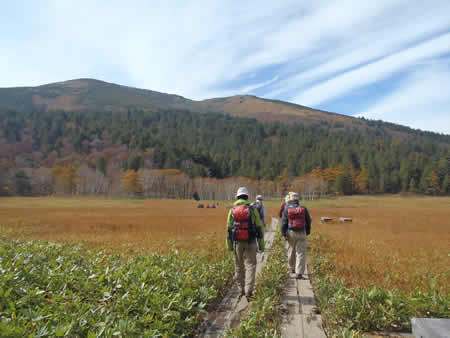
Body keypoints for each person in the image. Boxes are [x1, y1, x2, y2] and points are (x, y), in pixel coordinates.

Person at [227, 187, 265, 299]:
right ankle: (249, 290)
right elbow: (259, 227)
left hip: (237, 242)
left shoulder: (232, 210)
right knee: (251, 265)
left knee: (238, 266)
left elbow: (228, 229)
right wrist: (261, 245)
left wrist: (229, 246)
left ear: (237, 197)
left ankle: (241, 289)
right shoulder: (252, 210)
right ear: (247, 197)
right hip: (251, 241)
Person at [281, 192, 312, 280]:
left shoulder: (287, 208)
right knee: (301, 253)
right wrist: (307, 231)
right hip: (302, 232)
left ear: (290, 200)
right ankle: (299, 273)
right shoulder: (303, 208)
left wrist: (283, 233)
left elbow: (284, 222)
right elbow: (308, 221)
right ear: (298, 200)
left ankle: (291, 269)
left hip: (290, 232)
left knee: (291, 250)